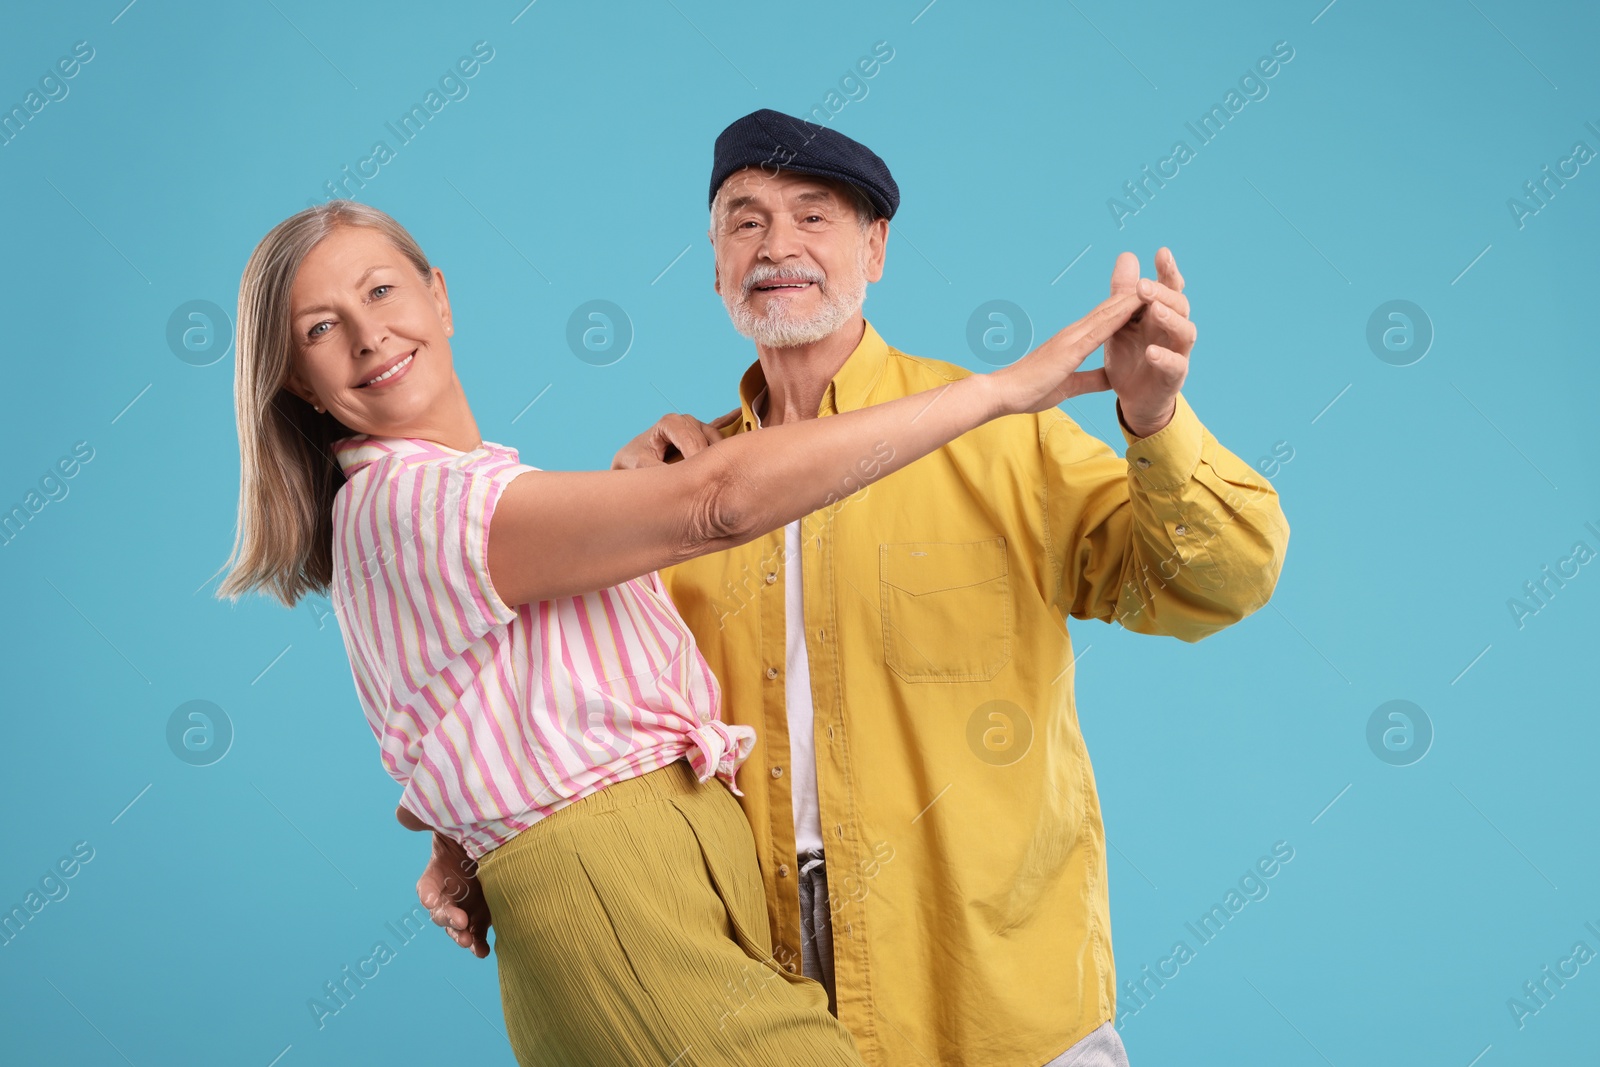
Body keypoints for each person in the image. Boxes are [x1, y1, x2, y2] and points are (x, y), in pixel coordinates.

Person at [420, 109, 1291, 1065]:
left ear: (874, 249)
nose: (777, 245)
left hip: (994, 996)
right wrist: (461, 839)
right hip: (759, 988)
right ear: (713, 263)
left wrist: (1152, 414)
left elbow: (1218, 579)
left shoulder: (996, 430)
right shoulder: (674, 491)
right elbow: (576, 721)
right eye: (744, 221)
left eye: (814, 216)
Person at [213, 197, 1153, 1065]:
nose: (371, 333)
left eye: (381, 290)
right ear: (296, 379)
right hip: (622, 907)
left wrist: (462, 830)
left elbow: (508, 696)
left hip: (654, 900)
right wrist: (998, 391)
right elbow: (720, 504)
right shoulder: (415, 502)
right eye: (322, 327)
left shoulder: (481, 486)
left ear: (439, 296)